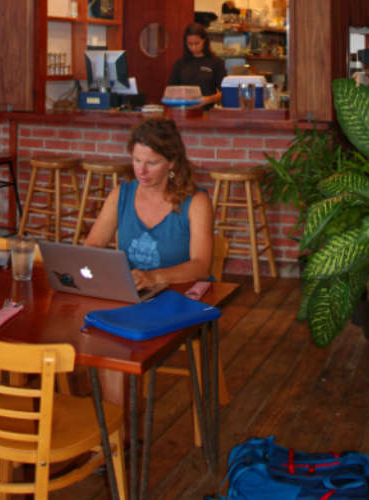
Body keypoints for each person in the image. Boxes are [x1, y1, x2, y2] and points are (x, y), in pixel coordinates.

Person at [82, 119, 214, 405]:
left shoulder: (196, 201)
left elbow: (201, 265)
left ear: (172, 163)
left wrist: (155, 277)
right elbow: (92, 246)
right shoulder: (122, 195)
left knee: (110, 340)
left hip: (177, 300)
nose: (141, 170)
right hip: (132, 295)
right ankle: (116, 438)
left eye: (151, 163)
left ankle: (117, 438)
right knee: (100, 334)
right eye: (136, 160)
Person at [168, 23, 228, 110]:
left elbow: (225, 92)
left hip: (207, 113)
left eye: (197, 43)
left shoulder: (216, 62)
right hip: (183, 111)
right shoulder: (180, 63)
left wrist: (208, 99)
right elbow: (171, 91)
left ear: (204, 41)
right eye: (190, 44)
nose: (193, 47)